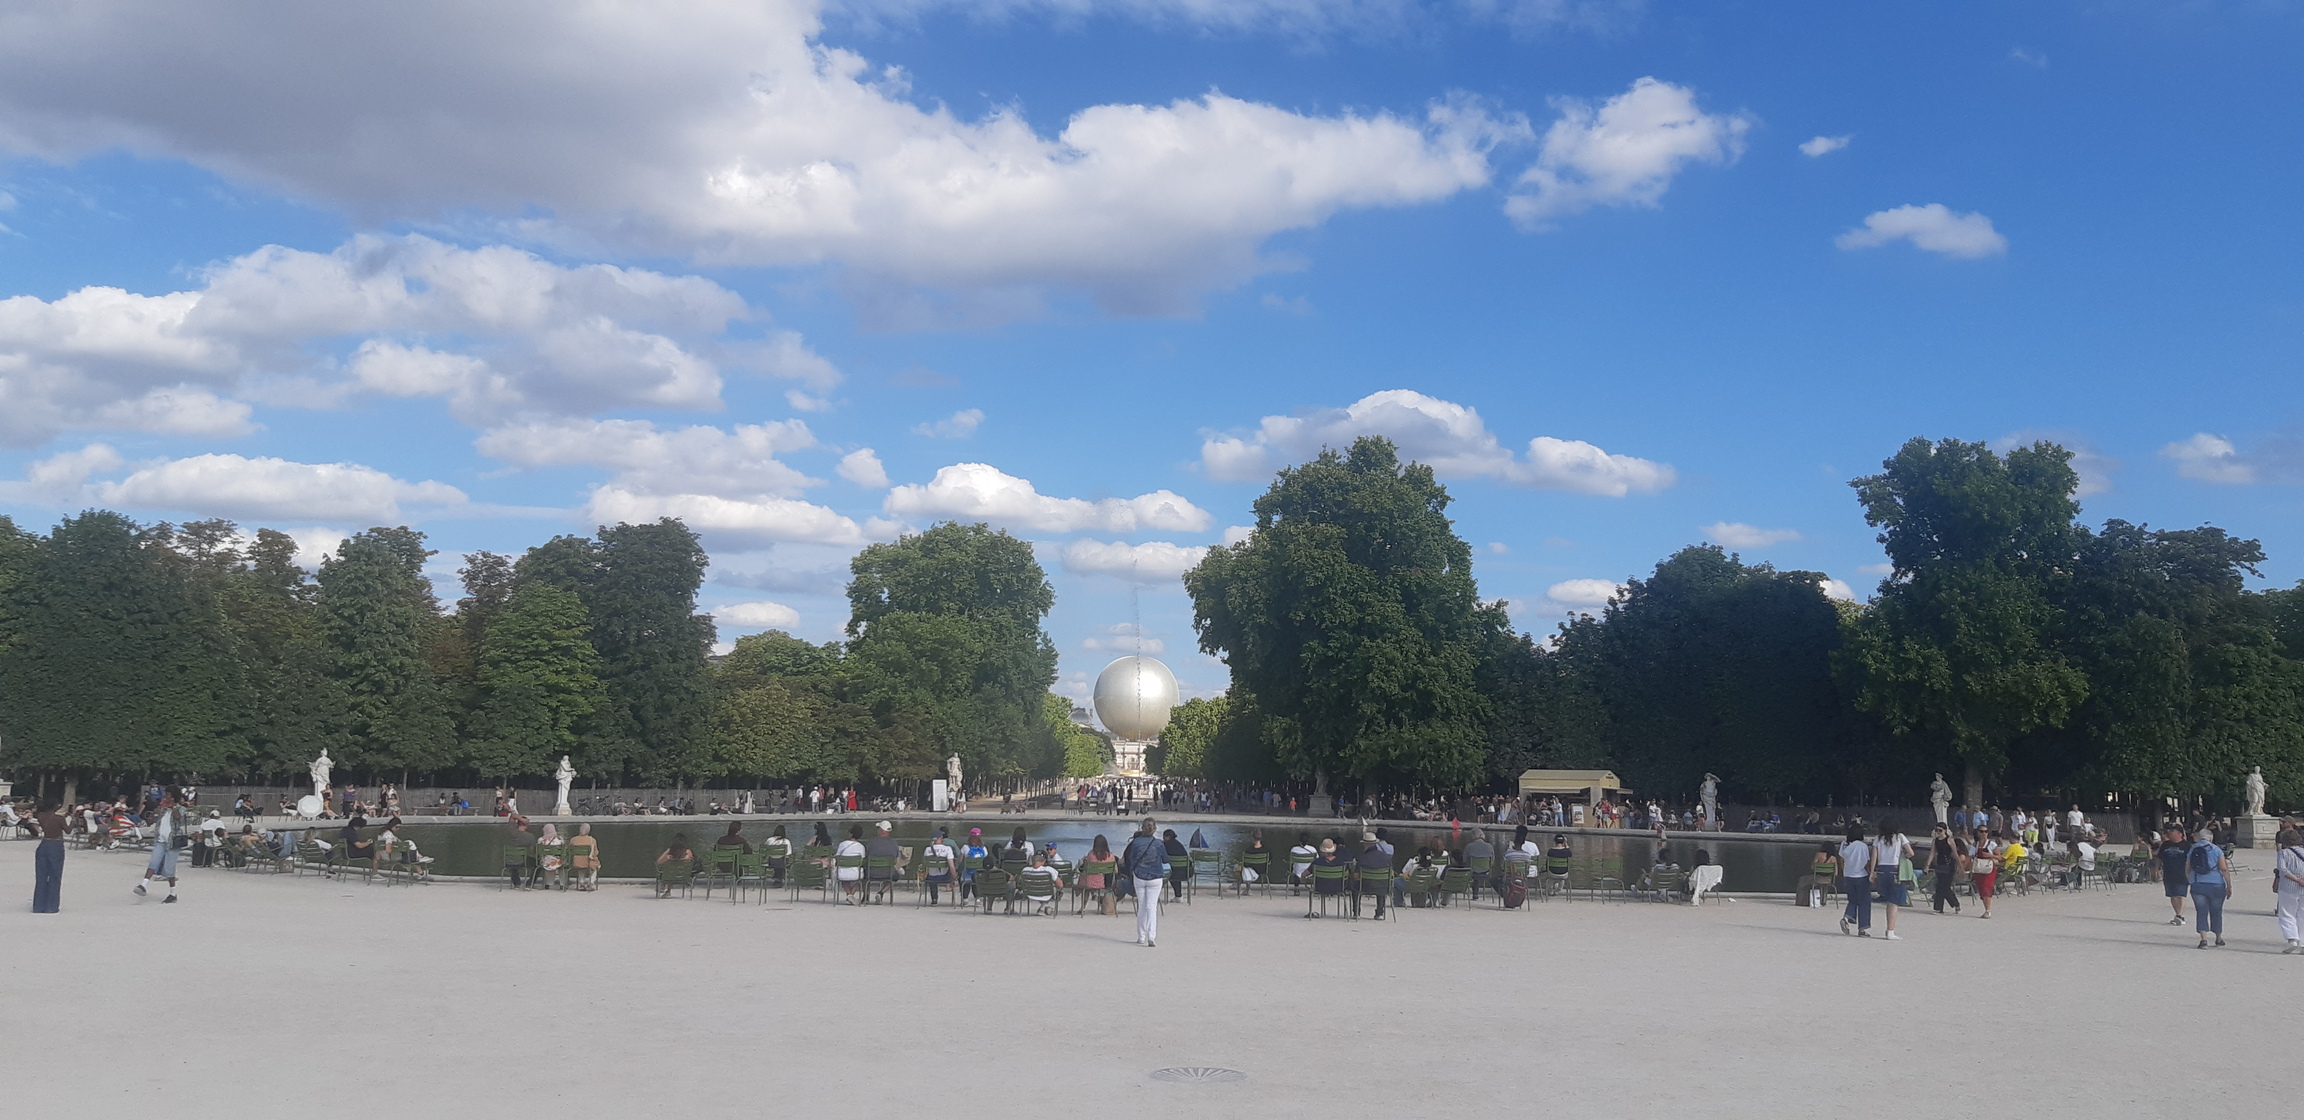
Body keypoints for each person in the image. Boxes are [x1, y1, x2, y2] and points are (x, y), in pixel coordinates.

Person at [1121, 817, 1167, 947]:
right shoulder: (1159, 844)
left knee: (1141, 906)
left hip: (1140, 875)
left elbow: (1131, 858)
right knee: (1151, 907)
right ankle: (1151, 936)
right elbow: (1165, 859)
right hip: (1155, 876)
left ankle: (1141, 936)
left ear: (1142, 828)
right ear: (1155, 829)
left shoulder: (1136, 843)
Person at [134, 789, 183, 903]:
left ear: (173, 797)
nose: (165, 797)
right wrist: (156, 812)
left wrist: (173, 806)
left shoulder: (180, 808)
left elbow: (178, 817)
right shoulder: (164, 809)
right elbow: (155, 818)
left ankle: (173, 893)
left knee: (169, 869)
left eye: (168, 795)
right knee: (153, 862)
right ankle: (143, 885)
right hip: (161, 840)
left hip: (173, 842)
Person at [2186, 830, 2232, 949]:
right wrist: (2229, 885)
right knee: (2216, 910)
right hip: (2216, 884)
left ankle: (2203, 939)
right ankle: (2218, 937)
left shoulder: (2193, 849)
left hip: (2198, 883)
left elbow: (2188, 868)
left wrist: (2191, 881)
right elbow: (2224, 869)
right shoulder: (2216, 850)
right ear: (2211, 838)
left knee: (2201, 910)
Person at [1837, 824, 1873, 937]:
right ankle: (1862, 928)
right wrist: (1871, 874)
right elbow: (1867, 862)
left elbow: (1841, 859)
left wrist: (1842, 872)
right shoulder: (1862, 846)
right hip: (1861, 876)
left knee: (1853, 900)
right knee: (1864, 902)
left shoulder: (1844, 844)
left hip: (1848, 876)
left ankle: (1846, 918)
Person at [31, 800, 66, 913]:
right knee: (55, 876)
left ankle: (38, 906)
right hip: (56, 845)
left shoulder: (41, 816)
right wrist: (73, 821)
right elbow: (68, 830)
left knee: (41, 877)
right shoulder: (59, 818)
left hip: (44, 844)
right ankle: (51, 906)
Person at [2275, 828, 2304, 954]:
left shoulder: (2283, 853)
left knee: (2287, 913)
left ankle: (2292, 938)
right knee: (2302, 914)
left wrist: (2297, 879)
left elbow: (2283, 870)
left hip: (2288, 887)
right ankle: (2303, 943)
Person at [1926, 824, 1963, 916]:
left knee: (1944, 887)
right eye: (1936, 830)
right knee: (1939, 886)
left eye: (1940, 830)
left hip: (1949, 866)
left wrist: (1960, 867)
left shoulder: (1950, 840)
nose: (1938, 832)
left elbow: (1955, 854)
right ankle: (1939, 908)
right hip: (1940, 864)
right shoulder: (1935, 841)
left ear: (1945, 831)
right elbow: (1932, 853)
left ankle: (1955, 904)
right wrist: (1927, 865)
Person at [863, 820, 902, 902]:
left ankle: (866, 896)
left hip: (871, 872)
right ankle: (881, 892)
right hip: (888, 873)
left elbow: (865, 857)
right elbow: (895, 861)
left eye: (878, 828)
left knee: (863, 873)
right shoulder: (894, 843)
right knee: (895, 876)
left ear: (881, 830)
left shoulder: (871, 842)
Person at [1356, 832, 1392, 918]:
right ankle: (1380, 913)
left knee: (1354, 887)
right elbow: (1391, 873)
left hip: (1365, 886)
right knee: (1381, 883)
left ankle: (1356, 912)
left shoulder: (1362, 858)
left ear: (1366, 844)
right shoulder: (1386, 857)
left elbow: (1356, 875)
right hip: (1383, 887)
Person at [922, 827, 956, 905]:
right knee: (950, 870)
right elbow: (952, 866)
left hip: (931, 877)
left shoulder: (927, 849)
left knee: (932, 873)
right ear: (941, 838)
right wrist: (954, 878)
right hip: (945, 877)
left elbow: (925, 865)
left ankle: (934, 899)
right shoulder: (947, 849)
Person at [835, 824, 868, 904]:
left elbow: (837, 857)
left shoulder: (842, 844)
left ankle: (849, 894)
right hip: (856, 873)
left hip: (842, 872)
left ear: (850, 833)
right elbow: (862, 860)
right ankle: (851, 894)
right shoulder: (861, 847)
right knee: (859, 879)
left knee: (844, 879)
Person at [1970, 831, 2000, 919]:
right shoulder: (1975, 844)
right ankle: (1986, 908)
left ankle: (1988, 910)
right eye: (1981, 831)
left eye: (1986, 831)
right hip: (1979, 868)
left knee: (1986, 887)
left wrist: (1990, 855)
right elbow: (1971, 856)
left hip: (1989, 868)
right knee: (1981, 888)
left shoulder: (1992, 844)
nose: (1984, 833)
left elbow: (1999, 857)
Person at [567, 823, 600, 890]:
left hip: (576, 862)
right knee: (596, 866)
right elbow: (595, 853)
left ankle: (581, 883)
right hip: (588, 862)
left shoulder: (573, 839)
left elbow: (569, 851)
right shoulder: (592, 840)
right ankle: (591, 882)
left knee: (581, 865)